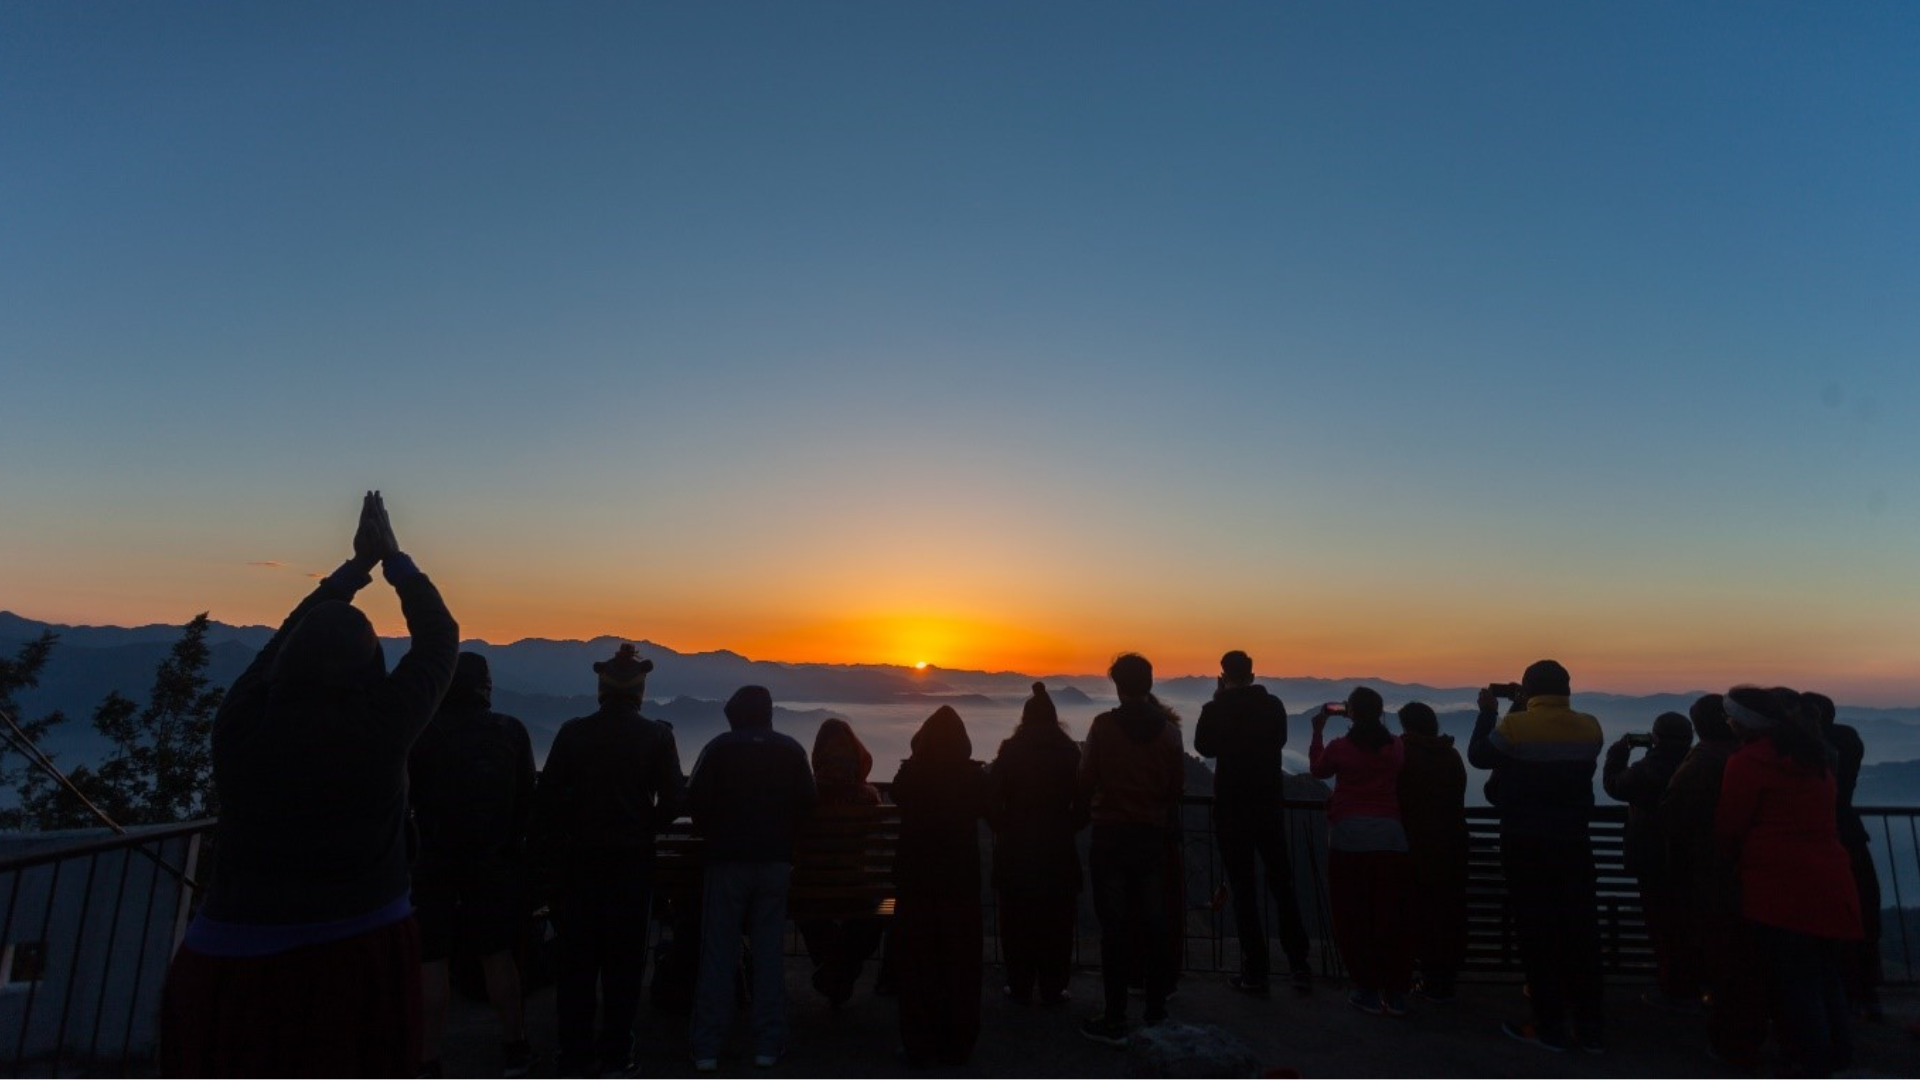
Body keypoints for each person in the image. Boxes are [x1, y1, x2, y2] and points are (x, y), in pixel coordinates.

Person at [162, 492, 458, 1077]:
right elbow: (439, 638)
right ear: (370, 666)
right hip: (363, 946)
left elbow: (279, 642)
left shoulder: (239, 726)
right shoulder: (381, 725)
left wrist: (352, 572)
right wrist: (394, 561)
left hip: (231, 956)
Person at [529, 643, 686, 1077]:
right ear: (639, 692)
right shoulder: (658, 736)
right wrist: (644, 825)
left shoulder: (572, 732)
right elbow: (674, 799)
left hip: (578, 864)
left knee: (576, 961)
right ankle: (617, 1051)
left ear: (601, 689)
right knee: (624, 962)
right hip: (632, 866)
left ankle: (573, 1051)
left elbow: (546, 799)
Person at [1715, 686, 1862, 1076]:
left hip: (1779, 888)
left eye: (1731, 716)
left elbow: (1730, 826)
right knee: (1825, 975)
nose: (1727, 722)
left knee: (1794, 982)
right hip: (1831, 879)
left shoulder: (1747, 763)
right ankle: (1838, 1054)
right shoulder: (1815, 758)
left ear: (1745, 723)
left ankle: (1812, 1062)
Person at [409, 651, 537, 1078]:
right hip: (493, 861)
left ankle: (428, 1056)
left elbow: (404, 801)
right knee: (497, 954)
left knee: (433, 958)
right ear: (486, 687)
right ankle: (515, 1042)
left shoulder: (422, 734)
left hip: (433, 860)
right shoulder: (511, 732)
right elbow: (527, 801)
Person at [1467, 659, 1605, 1053]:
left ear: (1527, 691)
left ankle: (1548, 1027)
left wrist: (1491, 712)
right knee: (1581, 933)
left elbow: (1480, 755)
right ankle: (1590, 1028)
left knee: (1537, 932)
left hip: (1525, 843)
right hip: (1575, 843)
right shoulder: (1590, 727)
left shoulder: (1514, 726)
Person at [686, 686, 816, 1072]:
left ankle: (707, 1047)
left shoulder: (717, 749)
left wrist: (715, 832)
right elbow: (808, 805)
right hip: (775, 864)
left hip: (725, 863)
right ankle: (767, 1045)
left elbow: (695, 801)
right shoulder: (791, 750)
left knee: (718, 956)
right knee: (769, 955)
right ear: (769, 714)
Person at [1073, 653, 1184, 1049]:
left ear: (1117, 687)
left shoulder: (1103, 728)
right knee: (1154, 924)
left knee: (1114, 928)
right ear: (1150, 684)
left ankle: (1115, 1016)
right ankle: (1155, 1011)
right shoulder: (1170, 734)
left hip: (1110, 838)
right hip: (1151, 838)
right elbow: (1175, 789)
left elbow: (1085, 781)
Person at [1192, 651, 1313, 995]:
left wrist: (1219, 700)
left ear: (1222, 675)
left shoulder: (1216, 709)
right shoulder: (1273, 706)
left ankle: (1256, 971)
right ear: (1253, 674)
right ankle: (1299, 965)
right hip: (1269, 806)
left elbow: (1205, 747)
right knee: (1282, 885)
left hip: (1232, 809)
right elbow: (1280, 742)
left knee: (1243, 891)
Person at [1661, 693, 1766, 1068]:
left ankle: (1732, 1041)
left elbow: (1676, 817)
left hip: (1713, 876)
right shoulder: (1754, 760)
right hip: (1749, 876)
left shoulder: (1705, 764)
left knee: (1727, 960)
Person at [891, 705, 990, 1065]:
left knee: (918, 964)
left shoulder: (911, 776)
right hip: (960, 882)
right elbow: (988, 805)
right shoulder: (973, 777)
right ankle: (959, 1041)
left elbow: (899, 794)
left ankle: (919, 1042)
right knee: (961, 963)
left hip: (915, 881)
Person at [1309, 688, 1412, 1017]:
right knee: (1390, 914)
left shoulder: (1340, 748)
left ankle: (1365, 989)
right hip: (1390, 836)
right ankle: (1395, 992)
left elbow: (1318, 770)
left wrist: (1317, 731)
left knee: (1353, 913)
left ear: (1350, 713)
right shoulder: (1396, 746)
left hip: (1348, 836)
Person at [986, 683, 1082, 1006]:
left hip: (1015, 850)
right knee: (1057, 922)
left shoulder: (1010, 751)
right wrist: (1069, 826)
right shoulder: (1071, 752)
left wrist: (1002, 826)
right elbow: (1082, 804)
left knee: (1017, 922)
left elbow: (990, 799)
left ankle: (1021, 985)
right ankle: (1054, 988)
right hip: (1058, 849)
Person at [1601, 711, 1696, 1011]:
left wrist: (1617, 754)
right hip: (1696, 860)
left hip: (1654, 858)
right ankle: (1691, 987)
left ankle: (1674, 990)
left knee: (1663, 926)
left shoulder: (1649, 769)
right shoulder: (1697, 763)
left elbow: (1615, 785)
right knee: (1688, 925)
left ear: (1656, 738)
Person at [796, 717, 887, 1006]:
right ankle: (842, 967)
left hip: (808, 888)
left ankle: (834, 968)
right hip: (856, 887)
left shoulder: (805, 797)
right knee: (884, 907)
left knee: (802, 904)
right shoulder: (869, 799)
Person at [1807, 691, 1884, 1021]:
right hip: (1852, 839)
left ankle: (1833, 999)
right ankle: (1864, 993)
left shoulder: (1809, 753)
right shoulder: (1848, 742)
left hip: (1822, 843)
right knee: (1862, 915)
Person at [1394, 701, 1467, 1002]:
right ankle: (1441, 981)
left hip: (1412, 845)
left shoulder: (1402, 755)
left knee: (1412, 911)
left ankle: (1413, 977)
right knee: (1445, 913)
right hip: (1451, 844)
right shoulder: (1450, 755)